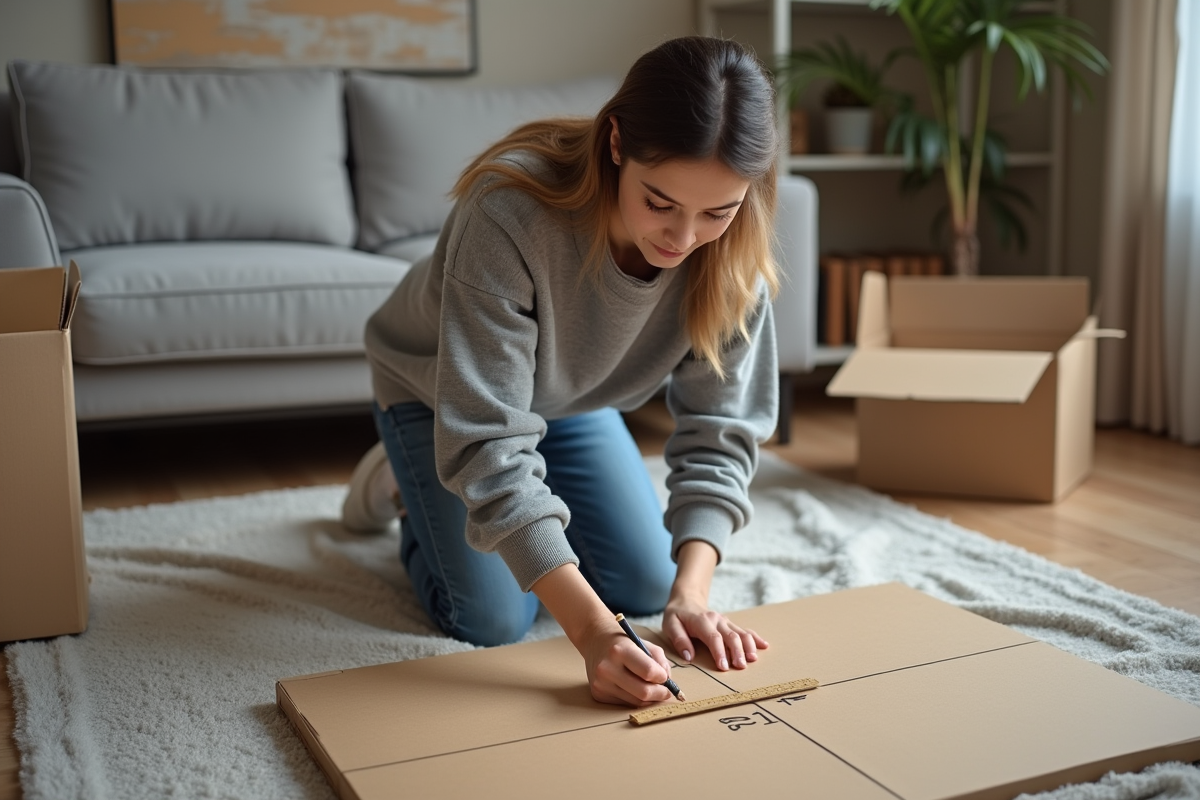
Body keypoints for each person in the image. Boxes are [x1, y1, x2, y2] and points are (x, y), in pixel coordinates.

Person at [344, 35, 782, 708]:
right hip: (441, 396)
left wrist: (691, 595)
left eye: (715, 212)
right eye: (660, 202)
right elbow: (486, 441)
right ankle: (406, 481)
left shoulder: (735, 250)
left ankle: (459, 482)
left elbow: (722, 431)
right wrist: (591, 633)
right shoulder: (508, 212)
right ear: (615, 145)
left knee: (642, 586)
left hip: (569, 400)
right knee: (489, 619)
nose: (684, 238)